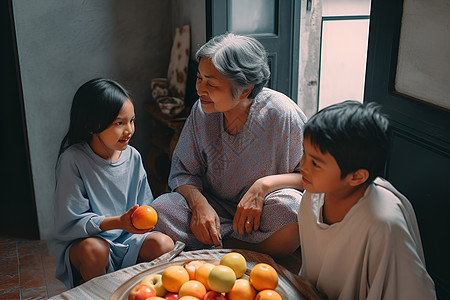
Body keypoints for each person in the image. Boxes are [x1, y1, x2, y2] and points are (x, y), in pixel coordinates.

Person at [152, 33, 307, 257]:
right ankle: (231, 248)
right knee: (162, 209)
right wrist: (199, 206)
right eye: (199, 78)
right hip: (214, 207)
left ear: (244, 89)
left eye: (211, 83)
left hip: (262, 213)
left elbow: (311, 177)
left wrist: (262, 187)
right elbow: (184, 171)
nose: (200, 89)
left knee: (293, 210)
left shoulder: (282, 114)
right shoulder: (201, 110)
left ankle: (223, 249)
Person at [298, 100, 436, 299]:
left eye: (316, 163)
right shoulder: (313, 195)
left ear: (356, 177)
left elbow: (411, 291)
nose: (303, 166)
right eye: (304, 153)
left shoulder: (383, 223)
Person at [48, 78, 174, 289]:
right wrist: (119, 222)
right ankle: (94, 289)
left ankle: (138, 290)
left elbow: (146, 205)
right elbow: (70, 221)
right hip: (89, 241)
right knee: (95, 251)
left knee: (164, 243)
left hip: (128, 239)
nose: (129, 130)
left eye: (131, 120)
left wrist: (143, 221)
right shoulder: (73, 159)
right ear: (91, 125)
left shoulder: (133, 156)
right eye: (119, 123)